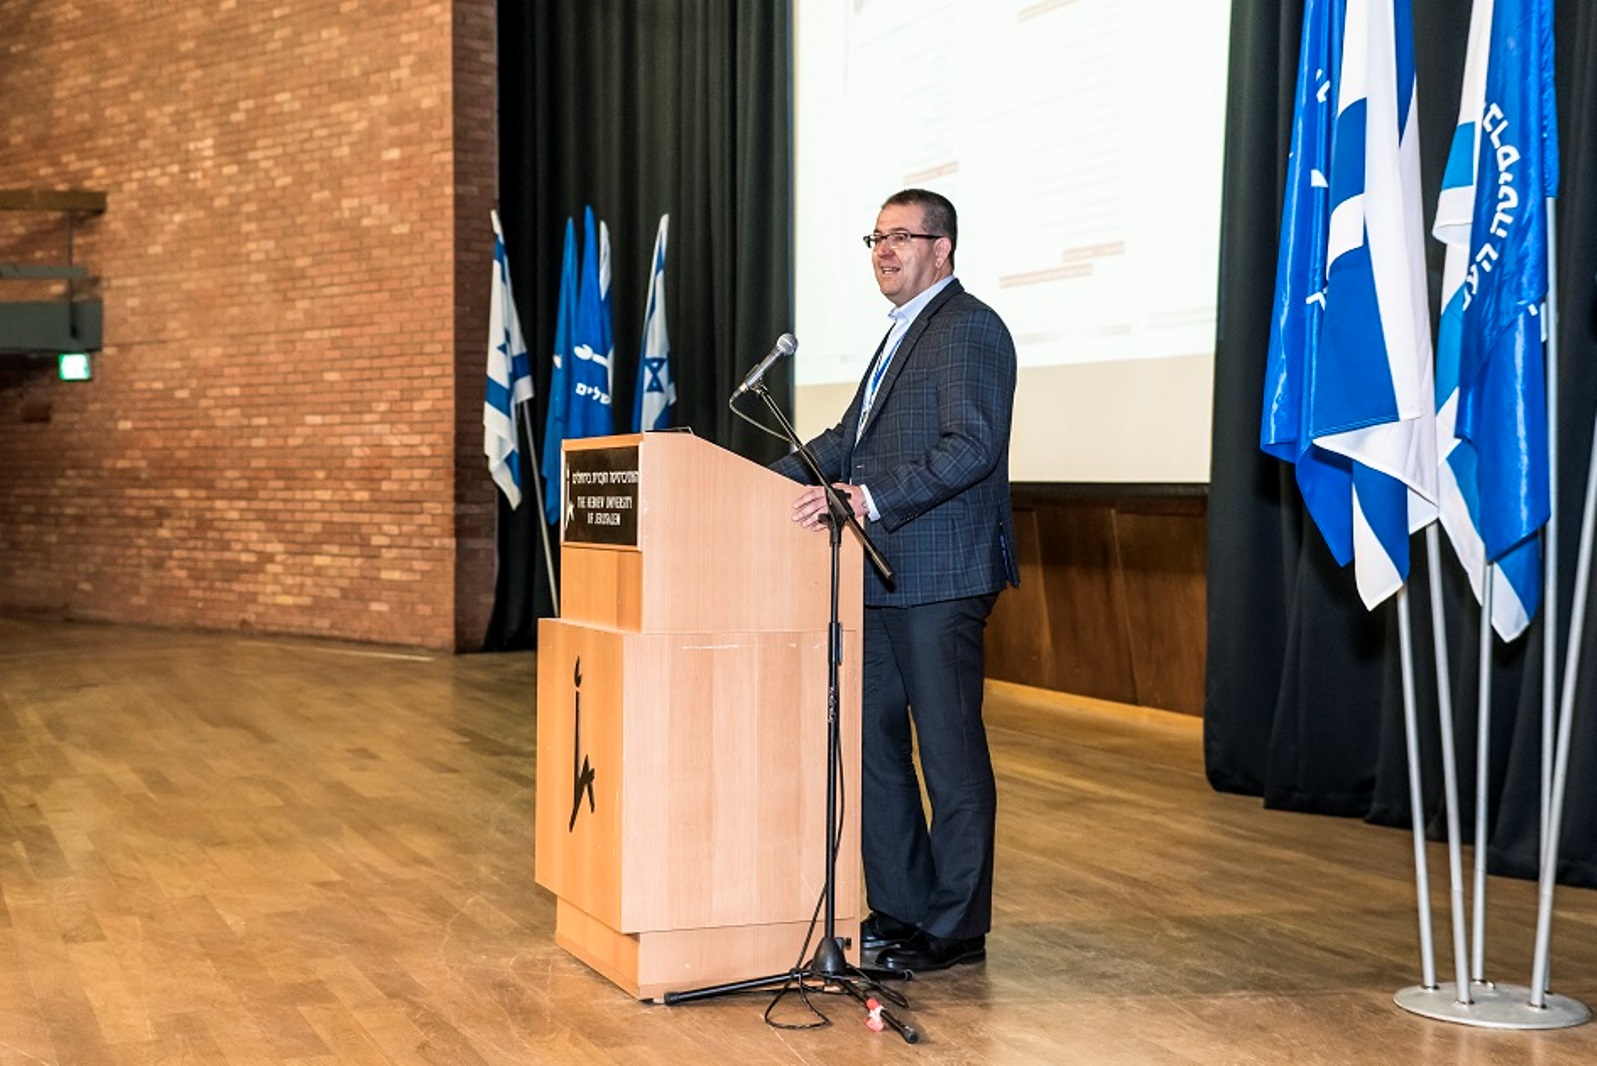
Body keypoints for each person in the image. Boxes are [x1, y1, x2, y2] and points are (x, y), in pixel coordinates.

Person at [772, 188, 1018, 973]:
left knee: (947, 754)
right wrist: (749, 480)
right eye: (875, 237)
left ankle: (956, 927)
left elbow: (971, 445)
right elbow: (847, 440)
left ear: (941, 248)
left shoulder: (970, 327)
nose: (883, 250)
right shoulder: (899, 336)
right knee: (872, 748)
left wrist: (869, 499)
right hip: (877, 579)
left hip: (939, 575)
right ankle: (903, 910)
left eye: (900, 237)